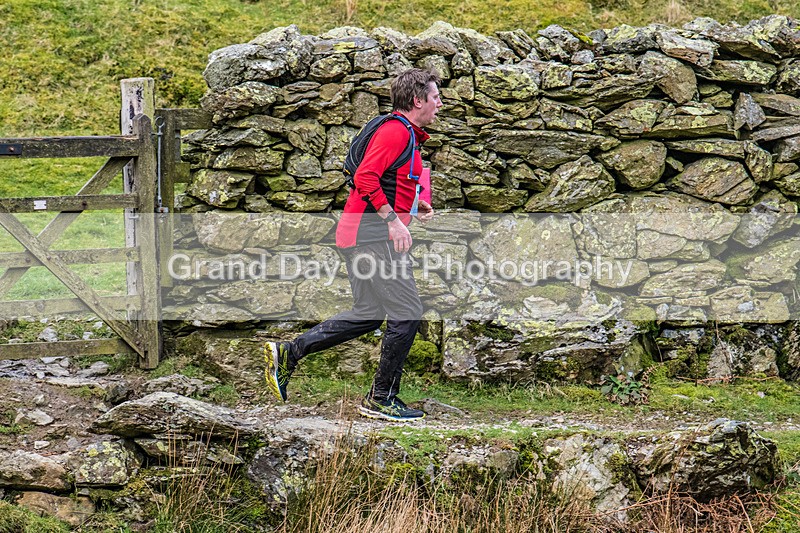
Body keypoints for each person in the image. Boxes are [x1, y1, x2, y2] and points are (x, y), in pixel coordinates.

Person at [265, 68, 442, 421]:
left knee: (369, 314)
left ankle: (290, 352)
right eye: (435, 96)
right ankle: (381, 399)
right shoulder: (395, 131)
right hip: (371, 237)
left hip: (358, 234)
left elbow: (390, 179)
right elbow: (365, 177)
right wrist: (393, 221)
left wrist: (413, 203)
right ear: (417, 100)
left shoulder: (403, 132)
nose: (440, 103)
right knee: (406, 314)